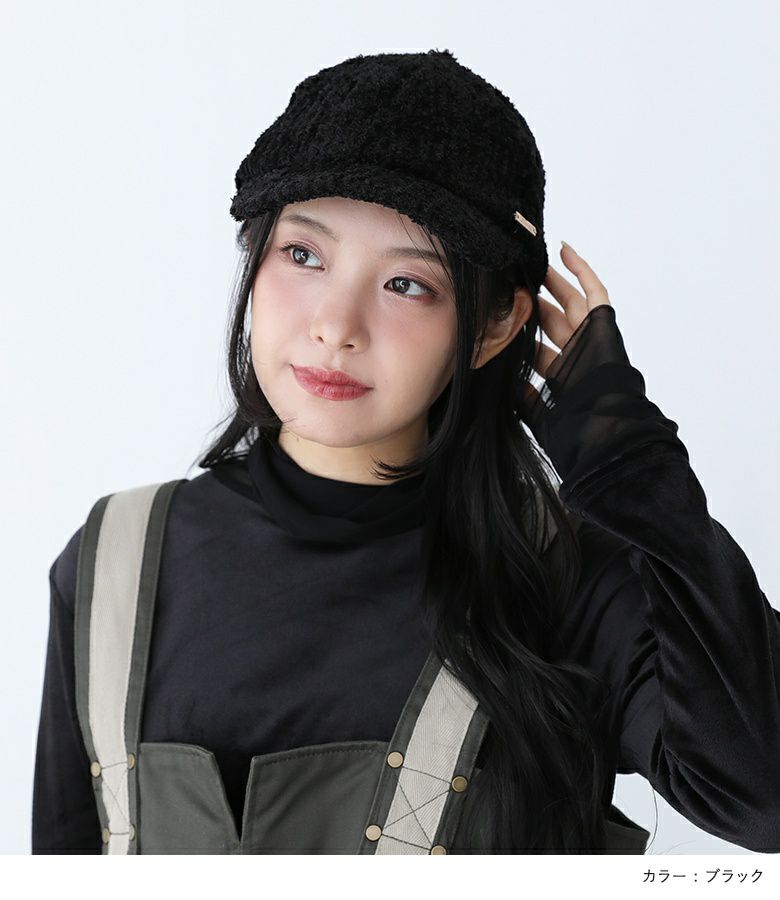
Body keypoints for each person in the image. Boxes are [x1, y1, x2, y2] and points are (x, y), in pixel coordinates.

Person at [32, 49, 780, 855]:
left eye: (406, 284)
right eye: (303, 256)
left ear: (495, 324)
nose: (336, 325)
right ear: (253, 254)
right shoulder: (114, 565)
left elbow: (764, 801)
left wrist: (630, 460)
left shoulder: (565, 581)